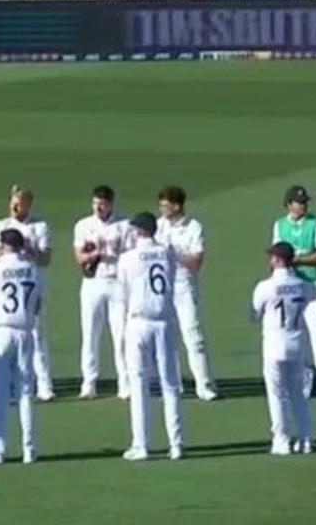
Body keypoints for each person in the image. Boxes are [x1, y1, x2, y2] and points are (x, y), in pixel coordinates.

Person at [118, 212, 184, 461]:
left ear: (137, 231)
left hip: (139, 321)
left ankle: (141, 445)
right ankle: (176, 444)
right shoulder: (168, 252)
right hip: (164, 321)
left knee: (138, 385)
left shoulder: (127, 259)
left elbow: (124, 291)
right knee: (170, 384)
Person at [0, 228, 45, 465]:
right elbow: (37, 306)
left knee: (0, 393)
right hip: (26, 332)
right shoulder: (33, 270)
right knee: (26, 392)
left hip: (1, 331)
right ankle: (29, 449)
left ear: (3, 246)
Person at [0, 185, 55, 400]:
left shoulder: (40, 226)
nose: (15, 206)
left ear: (28, 204)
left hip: (30, 284)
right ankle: (3, 384)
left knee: (37, 333)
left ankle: (44, 384)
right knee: (2, 335)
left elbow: (45, 258)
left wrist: (28, 248)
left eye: (20, 202)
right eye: (13, 201)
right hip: (6, 286)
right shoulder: (0, 225)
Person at [252, 242, 316, 455]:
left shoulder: (265, 286)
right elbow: (314, 294)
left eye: (272, 257)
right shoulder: (302, 284)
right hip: (296, 342)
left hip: (273, 344)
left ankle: (281, 440)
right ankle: (305, 438)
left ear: (278, 260)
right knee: (297, 393)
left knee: (276, 393)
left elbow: (254, 314)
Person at [270, 185, 316, 397]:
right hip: (289, 289)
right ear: (288, 205)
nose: (303, 205)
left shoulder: (315, 224)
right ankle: (300, 379)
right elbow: (276, 257)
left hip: (312, 286)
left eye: (305, 202)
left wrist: (298, 259)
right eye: (299, 202)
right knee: (292, 335)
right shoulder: (279, 225)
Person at [156, 186, 217, 400]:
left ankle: (204, 384)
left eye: (165, 205)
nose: (162, 209)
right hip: (163, 286)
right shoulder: (159, 225)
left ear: (177, 205)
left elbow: (196, 260)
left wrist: (172, 256)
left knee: (193, 333)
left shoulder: (193, 227)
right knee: (167, 337)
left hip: (184, 285)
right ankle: (174, 384)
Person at [73, 185, 130, 400]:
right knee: (90, 333)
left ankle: (124, 382)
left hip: (117, 282)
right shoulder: (83, 225)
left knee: (121, 335)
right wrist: (95, 254)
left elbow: (130, 255)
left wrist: (111, 254)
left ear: (111, 204)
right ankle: (89, 382)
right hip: (93, 282)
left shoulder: (124, 225)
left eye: (103, 203)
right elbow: (79, 257)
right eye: (96, 203)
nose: (99, 207)